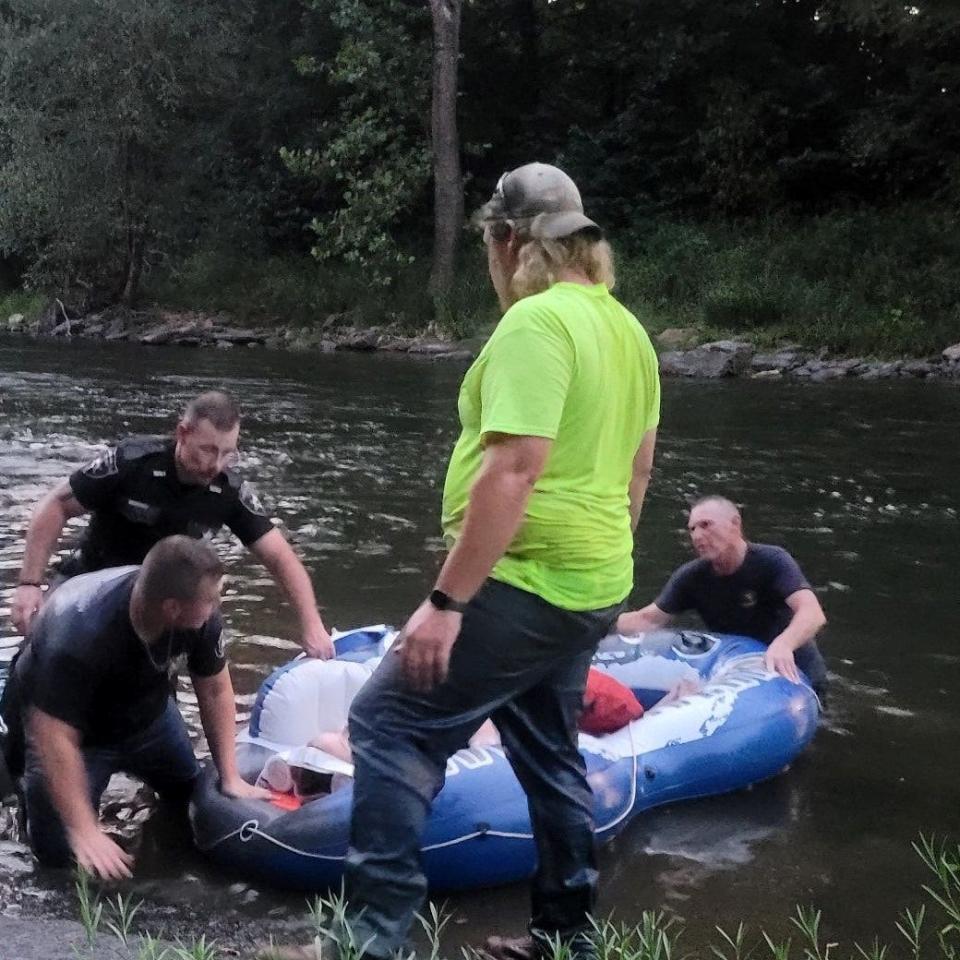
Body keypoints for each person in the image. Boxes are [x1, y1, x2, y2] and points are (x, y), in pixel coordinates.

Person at [334, 163, 661, 960]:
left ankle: (368, 944)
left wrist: (447, 604)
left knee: (390, 723)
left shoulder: (537, 325)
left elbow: (514, 467)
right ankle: (565, 938)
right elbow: (639, 469)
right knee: (550, 756)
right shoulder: (628, 331)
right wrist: (603, 566)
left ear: (508, 241)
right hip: (590, 584)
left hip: (525, 583)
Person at [11, 536, 270, 880]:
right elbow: (53, 734)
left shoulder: (200, 618)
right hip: (70, 730)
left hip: (146, 716)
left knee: (187, 794)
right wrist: (85, 830)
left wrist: (231, 775)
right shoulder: (79, 632)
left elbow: (214, 689)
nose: (216, 605)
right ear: (172, 608)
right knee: (58, 855)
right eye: (210, 599)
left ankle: (161, 858)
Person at [9, 390, 332, 658]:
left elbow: (280, 557)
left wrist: (311, 624)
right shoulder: (132, 463)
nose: (214, 464)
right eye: (206, 450)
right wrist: (29, 585)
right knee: (38, 653)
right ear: (182, 433)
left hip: (157, 603)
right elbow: (56, 505)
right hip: (89, 581)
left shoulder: (228, 492)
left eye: (226, 453)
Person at [616, 496, 828, 692]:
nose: (697, 536)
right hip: (736, 670)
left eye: (706, 525)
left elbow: (813, 613)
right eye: (692, 529)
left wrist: (784, 644)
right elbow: (647, 620)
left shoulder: (771, 561)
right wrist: (593, 623)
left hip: (794, 672)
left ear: (735, 524)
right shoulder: (692, 576)